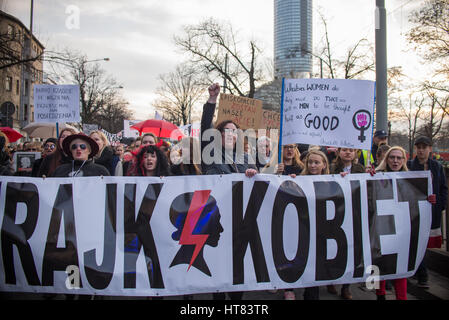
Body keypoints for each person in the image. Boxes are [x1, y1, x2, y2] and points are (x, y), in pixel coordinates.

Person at [201, 83, 257, 300]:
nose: (232, 134)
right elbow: (206, 126)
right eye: (227, 131)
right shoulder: (210, 153)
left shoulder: (246, 159)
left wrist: (254, 173)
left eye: (235, 132)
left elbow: (258, 183)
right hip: (216, 219)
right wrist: (212, 101)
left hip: (240, 219)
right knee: (218, 262)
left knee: (237, 264)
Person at [407, 136, 447, 288]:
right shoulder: (410, 165)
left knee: (424, 242)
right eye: (419, 147)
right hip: (414, 212)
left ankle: (419, 271)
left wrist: (440, 204)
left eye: (424, 147)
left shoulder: (436, 167)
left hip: (431, 211)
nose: (421, 150)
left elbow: (443, 188)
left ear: (430, 149)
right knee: (416, 241)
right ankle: (422, 273)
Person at [327, 147, 365, 300]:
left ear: (355, 153)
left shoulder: (360, 169)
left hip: (354, 214)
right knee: (333, 248)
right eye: (344, 150)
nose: (347, 153)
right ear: (338, 152)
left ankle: (346, 286)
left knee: (350, 250)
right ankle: (330, 278)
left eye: (351, 150)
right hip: (335, 213)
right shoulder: (331, 168)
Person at [300, 149, 331, 300]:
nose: (313, 165)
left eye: (316, 162)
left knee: (317, 265)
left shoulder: (332, 182)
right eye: (310, 162)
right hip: (304, 229)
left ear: (324, 165)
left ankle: (311, 294)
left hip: (322, 231)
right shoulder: (299, 180)